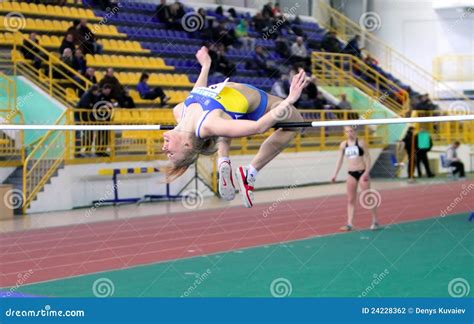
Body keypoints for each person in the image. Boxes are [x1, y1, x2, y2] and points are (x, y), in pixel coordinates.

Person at [165, 46, 307, 208]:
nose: (164, 147)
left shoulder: (180, 112)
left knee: (223, 125)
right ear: (186, 145)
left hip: (232, 108)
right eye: (170, 152)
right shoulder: (208, 124)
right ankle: (250, 171)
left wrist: (205, 66)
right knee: (296, 125)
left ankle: (223, 160)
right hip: (258, 104)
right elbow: (259, 127)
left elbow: (198, 91)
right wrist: (290, 99)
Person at [332, 126, 380, 231]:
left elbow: (367, 157)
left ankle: (375, 220)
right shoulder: (343, 145)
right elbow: (339, 160)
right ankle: (349, 224)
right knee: (350, 199)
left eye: (351, 131)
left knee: (367, 197)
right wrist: (335, 174)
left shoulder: (361, 143)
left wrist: (366, 172)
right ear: (344, 133)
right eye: (347, 131)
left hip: (362, 172)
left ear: (355, 132)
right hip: (351, 173)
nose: (350, 133)